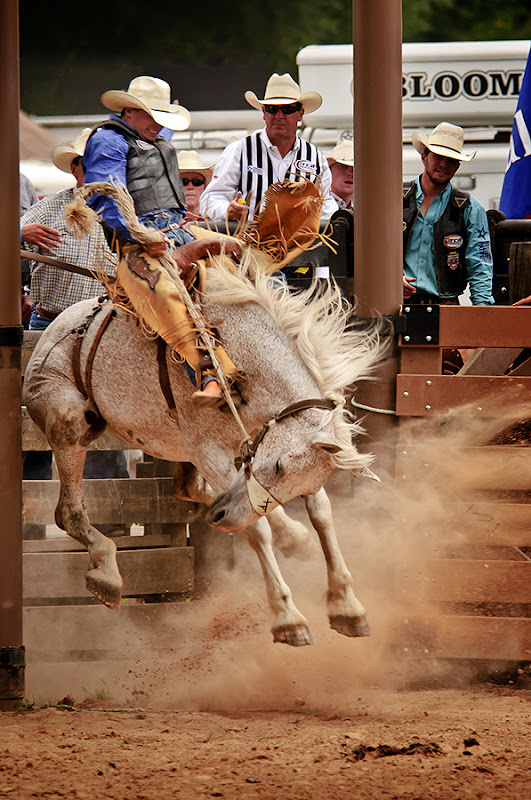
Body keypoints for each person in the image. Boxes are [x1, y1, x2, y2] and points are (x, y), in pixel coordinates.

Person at [83, 75, 240, 408]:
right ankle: (207, 370)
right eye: (152, 116)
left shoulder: (147, 133)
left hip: (178, 229)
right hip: (140, 243)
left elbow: (154, 143)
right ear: (129, 112)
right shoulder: (108, 141)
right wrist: (140, 235)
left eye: (161, 118)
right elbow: (105, 197)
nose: (159, 125)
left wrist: (167, 117)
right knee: (164, 289)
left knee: (239, 259)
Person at [21, 129, 129, 537]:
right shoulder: (48, 209)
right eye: (90, 163)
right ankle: (28, 523)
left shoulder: (122, 214)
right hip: (50, 326)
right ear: (77, 168)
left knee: (105, 419)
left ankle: (111, 518)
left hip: (103, 330)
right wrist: (18, 232)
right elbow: (11, 233)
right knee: (38, 423)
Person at [199, 72, 338, 224]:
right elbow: (210, 199)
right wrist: (226, 210)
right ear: (264, 113)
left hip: (299, 246)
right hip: (246, 244)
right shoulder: (239, 151)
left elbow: (326, 210)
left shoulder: (316, 158)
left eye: (287, 110)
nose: (279, 115)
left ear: (300, 114)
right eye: (272, 108)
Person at [403, 122, 494, 307]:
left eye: (450, 160)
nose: (444, 164)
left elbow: (480, 264)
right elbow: (373, 249)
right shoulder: (393, 198)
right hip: (395, 303)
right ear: (424, 157)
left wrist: (482, 310)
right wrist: (389, 281)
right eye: (438, 157)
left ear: (457, 166)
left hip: (446, 307)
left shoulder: (470, 208)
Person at [177, 150, 213, 223]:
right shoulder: (162, 221)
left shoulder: (215, 220)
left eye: (197, 182)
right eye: (183, 182)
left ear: (205, 187)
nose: (190, 186)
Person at [326, 141, 354, 210]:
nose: (350, 173)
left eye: (356, 168)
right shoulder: (315, 206)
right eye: (343, 166)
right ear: (329, 171)